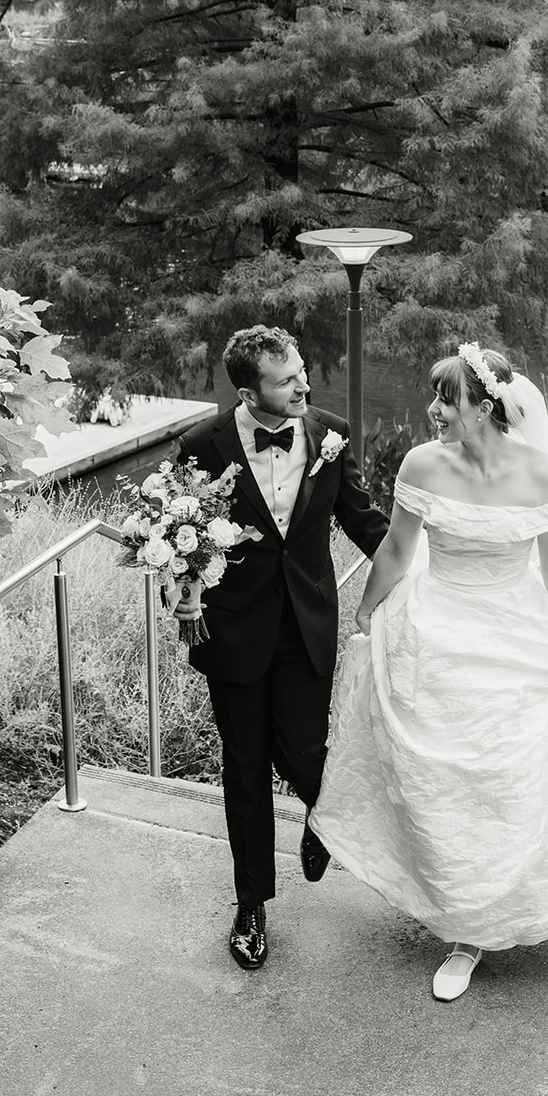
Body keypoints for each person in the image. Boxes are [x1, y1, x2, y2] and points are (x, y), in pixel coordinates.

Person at [310, 343, 548, 1001]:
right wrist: (366, 610)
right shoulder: (423, 464)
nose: (433, 409)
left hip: (514, 634)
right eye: (435, 396)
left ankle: (498, 916)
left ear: (487, 406)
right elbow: (395, 549)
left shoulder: (543, 474)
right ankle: (461, 919)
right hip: (435, 630)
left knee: (511, 776)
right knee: (439, 780)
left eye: (447, 399)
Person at [177, 324, 389, 972]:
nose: (303, 384)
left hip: (305, 626)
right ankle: (250, 906)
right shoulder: (199, 445)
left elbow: (364, 520)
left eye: (301, 370)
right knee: (243, 768)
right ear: (248, 391)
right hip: (232, 629)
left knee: (307, 752)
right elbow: (182, 532)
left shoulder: (328, 435)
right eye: (285, 378)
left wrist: (431, 570)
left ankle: (318, 818)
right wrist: (183, 595)